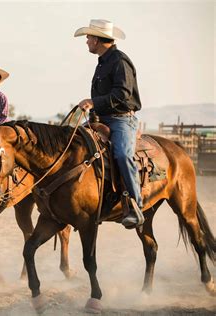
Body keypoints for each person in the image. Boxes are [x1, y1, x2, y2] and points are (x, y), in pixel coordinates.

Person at [74, 19, 144, 228]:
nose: (86, 41)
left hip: (122, 119)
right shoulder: (103, 61)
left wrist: (92, 101)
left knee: (122, 154)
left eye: (88, 37)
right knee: (73, 145)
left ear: (96, 39)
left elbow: (122, 95)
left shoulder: (120, 61)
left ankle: (135, 205)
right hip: (101, 119)